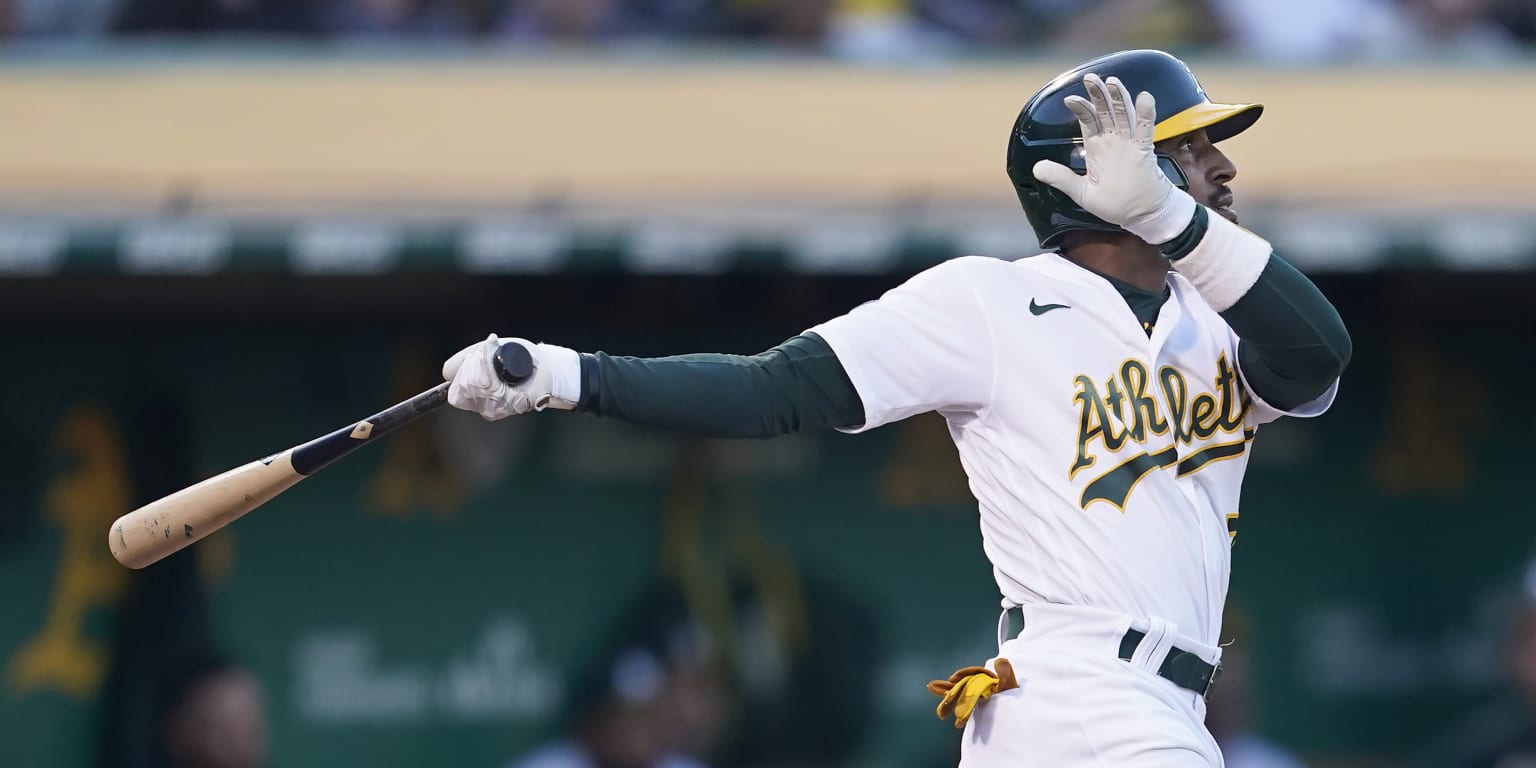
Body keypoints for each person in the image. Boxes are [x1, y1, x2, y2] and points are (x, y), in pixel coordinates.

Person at [442, 49, 1350, 768]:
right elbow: (776, 389)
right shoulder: (992, 303)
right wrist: (570, 373)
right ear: (1097, 172)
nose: (1221, 167)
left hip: (1123, 709)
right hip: (1088, 695)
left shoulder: (1218, 319)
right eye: (1188, 149)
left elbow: (1318, 359)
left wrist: (1175, 220)